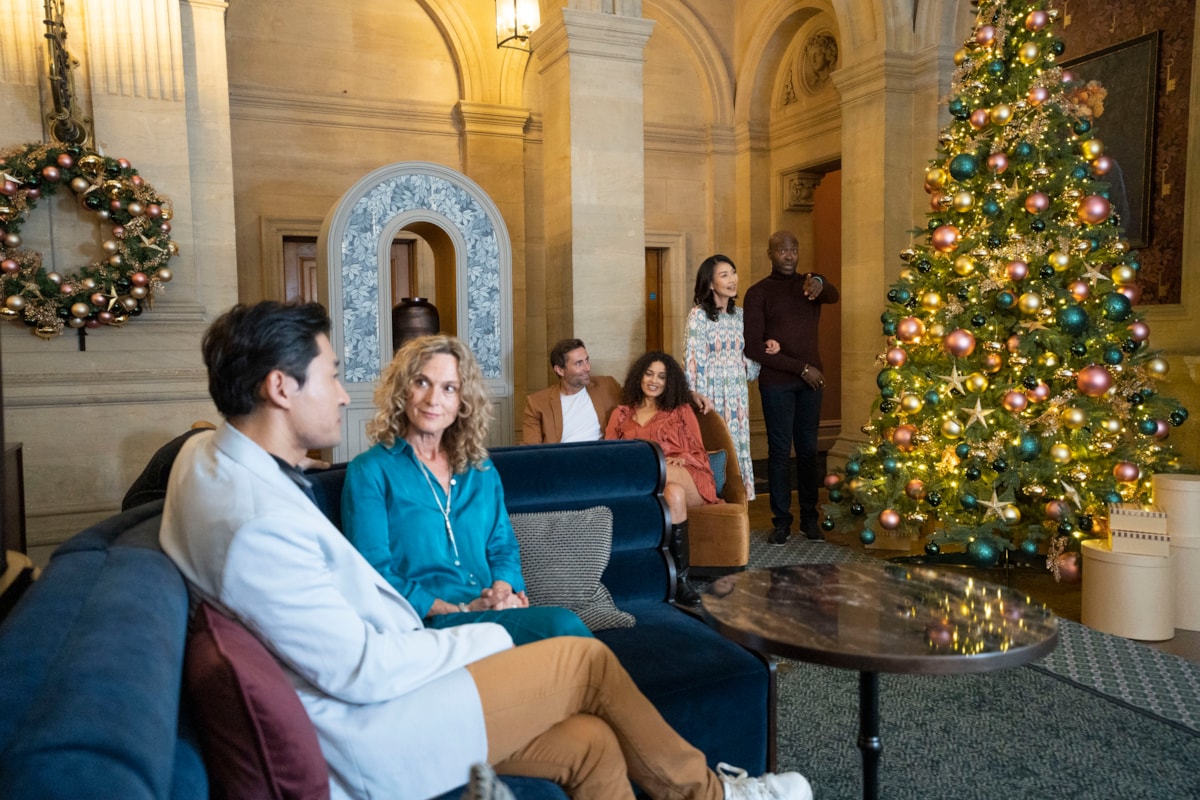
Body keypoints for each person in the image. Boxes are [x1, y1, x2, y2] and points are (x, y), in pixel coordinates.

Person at [159, 300, 812, 800]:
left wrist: (501, 593)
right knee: (582, 662)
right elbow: (363, 670)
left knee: (589, 743)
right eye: (330, 374)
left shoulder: (207, 460)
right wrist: (488, 632)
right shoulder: (260, 523)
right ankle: (714, 793)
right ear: (280, 388)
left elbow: (497, 545)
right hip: (377, 729)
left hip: (397, 682)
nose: (339, 391)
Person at [341, 334, 591, 646]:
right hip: (421, 623)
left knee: (565, 654)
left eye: (449, 388)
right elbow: (373, 573)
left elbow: (502, 546)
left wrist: (504, 591)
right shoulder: (370, 471)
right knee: (562, 625)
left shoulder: (481, 468)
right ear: (402, 390)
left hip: (487, 614)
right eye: (421, 382)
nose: (434, 399)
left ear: (462, 400)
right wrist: (458, 608)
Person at [743, 230, 840, 546]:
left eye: (794, 249)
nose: (789, 255)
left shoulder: (809, 287)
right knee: (780, 452)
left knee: (810, 451)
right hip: (778, 385)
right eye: (782, 250)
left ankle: (810, 520)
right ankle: (781, 522)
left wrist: (821, 281)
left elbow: (833, 294)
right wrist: (801, 368)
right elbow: (754, 348)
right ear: (769, 253)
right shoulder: (758, 293)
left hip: (811, 385)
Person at [606, 351, 719, 607]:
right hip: (655, 488)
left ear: (670, 382)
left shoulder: (680, 410)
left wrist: (682, 459)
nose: (654, 380)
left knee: (668, 475)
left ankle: (656, 469)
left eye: (662, 376)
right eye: (649, 373)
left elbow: (699, 452)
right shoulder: (621, 414)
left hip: (690, 477)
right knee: (673, 493)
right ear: (639, 376)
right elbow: (610, 456)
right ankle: (679, 581)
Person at [684, 254, 770, 501]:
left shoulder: (741, 315)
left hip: (737, 394)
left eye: (733, 272)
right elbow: (692, 359)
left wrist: (767, 347)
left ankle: (738, 506)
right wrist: (695, 395)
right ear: (710, 284)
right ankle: (712, 503)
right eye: (724, 275)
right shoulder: (699, 315)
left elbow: (751, 359)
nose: (732, 279)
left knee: (736, 446)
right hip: (710, 394)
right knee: (715, 446)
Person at [522, 338, 621, 444]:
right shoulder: (537, 403)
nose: (587, 368)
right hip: (563, 458)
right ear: (560, 370)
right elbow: (531, 448)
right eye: (579, 363)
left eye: (587, 360)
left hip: (602, 456)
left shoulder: (608, 385)